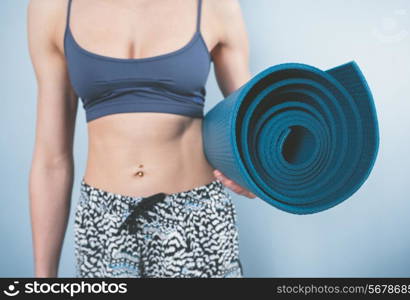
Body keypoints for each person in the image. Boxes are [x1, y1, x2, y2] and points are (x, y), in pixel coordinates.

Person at [28, 0, 255, 278]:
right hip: (104, 222)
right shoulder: (52, 8)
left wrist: (258, 179)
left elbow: (252, 127)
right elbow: (53, 159)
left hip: (196, 215)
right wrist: (43, 275)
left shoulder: (215, 5)